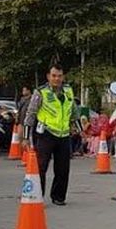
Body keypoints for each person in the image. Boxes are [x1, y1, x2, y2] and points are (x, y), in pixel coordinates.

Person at [23, 64, 80, 206]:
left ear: (63, 77)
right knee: (41, 167)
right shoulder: (40, 92)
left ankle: (58, 197)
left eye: (59, 76)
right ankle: (37, 196)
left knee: (63, 168)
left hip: (64, 134)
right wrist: (25, 137)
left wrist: (80, 129)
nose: (57, 78)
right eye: (54, 75)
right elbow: (30, 114)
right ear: (48, 76)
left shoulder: (68, 91)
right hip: (45, 134)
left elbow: (73, 112)